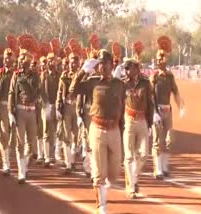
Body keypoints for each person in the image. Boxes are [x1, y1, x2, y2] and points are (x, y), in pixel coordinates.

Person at [69, 49, 125, 214]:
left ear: (111, 65)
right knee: (100, 173)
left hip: (114, 130)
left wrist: (122, 130)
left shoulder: (119, 84)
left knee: (114, 173)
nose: (102, 67)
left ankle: (102, 178)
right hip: (97, 129)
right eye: (100, 64)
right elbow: (72, 90)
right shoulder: (92, 82)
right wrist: (81, 72)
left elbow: (121, 108)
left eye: (105, 64)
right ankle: (102, 206)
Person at [149, 36, 185, 180]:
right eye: (158, 58)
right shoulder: (154, 76)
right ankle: (157, 169)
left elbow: (175, 92)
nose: (160, 61)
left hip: (167, 110)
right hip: (157, 110)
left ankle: (164, 167)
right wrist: (153, 112)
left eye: (162, 58)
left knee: (169, 139)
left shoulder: (170, 76)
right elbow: (150, 95)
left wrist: (181, 106)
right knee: (157, 140)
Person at [122, 58, 154, 199]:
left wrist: (151, 122)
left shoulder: (146, 83)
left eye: (130, 68)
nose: (128, 71)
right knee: (129, 155)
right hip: (128, 120)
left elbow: (150, 103)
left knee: (143, 154)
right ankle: (132, 187)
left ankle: (133, 178)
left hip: (142, 121)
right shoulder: (122, 84)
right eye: (126, 69)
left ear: (137, 69)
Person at [8, 49, 40, 184]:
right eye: (20, 60)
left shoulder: (35, 76)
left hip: (32, 111)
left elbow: (39, 91)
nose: (20, 62)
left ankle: (25, 163)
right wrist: (10, 112)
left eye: (23, 59)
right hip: (20, 111)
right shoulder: (16, 75)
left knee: (32, 144)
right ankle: (21, 171)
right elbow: (11, 93)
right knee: (20, 143)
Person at [0, 48, 15, 176]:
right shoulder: (0, 73)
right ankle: (6, 163)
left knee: (15, 137)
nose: (7, 60)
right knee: (4, 134)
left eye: (10, 58)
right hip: (3, 106)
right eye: (6, 58)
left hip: (15, 107)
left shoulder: (16, 74)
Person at [56, 52, 80, 174]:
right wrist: (58, 107)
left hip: (77, 106)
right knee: (66, 136)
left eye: (74, 62)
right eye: (71, 62)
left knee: (76, 135)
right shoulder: (64, 76)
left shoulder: (81, 76)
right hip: (67, 106)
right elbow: (60, 93)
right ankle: (68, 163)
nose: (72, 64)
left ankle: (73, 160)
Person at [39, 54, 61, 167]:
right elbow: (42, 91)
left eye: (54, 60)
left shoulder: (58, 75)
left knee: (56, 131)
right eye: (50, 60)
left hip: (56, 106)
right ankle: (47, 156)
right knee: (47, 132)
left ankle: (53, 155)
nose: (52, 62)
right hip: (47, 106)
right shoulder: (44, 75)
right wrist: (46, 105)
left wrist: (58, 105)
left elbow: (60, 90)